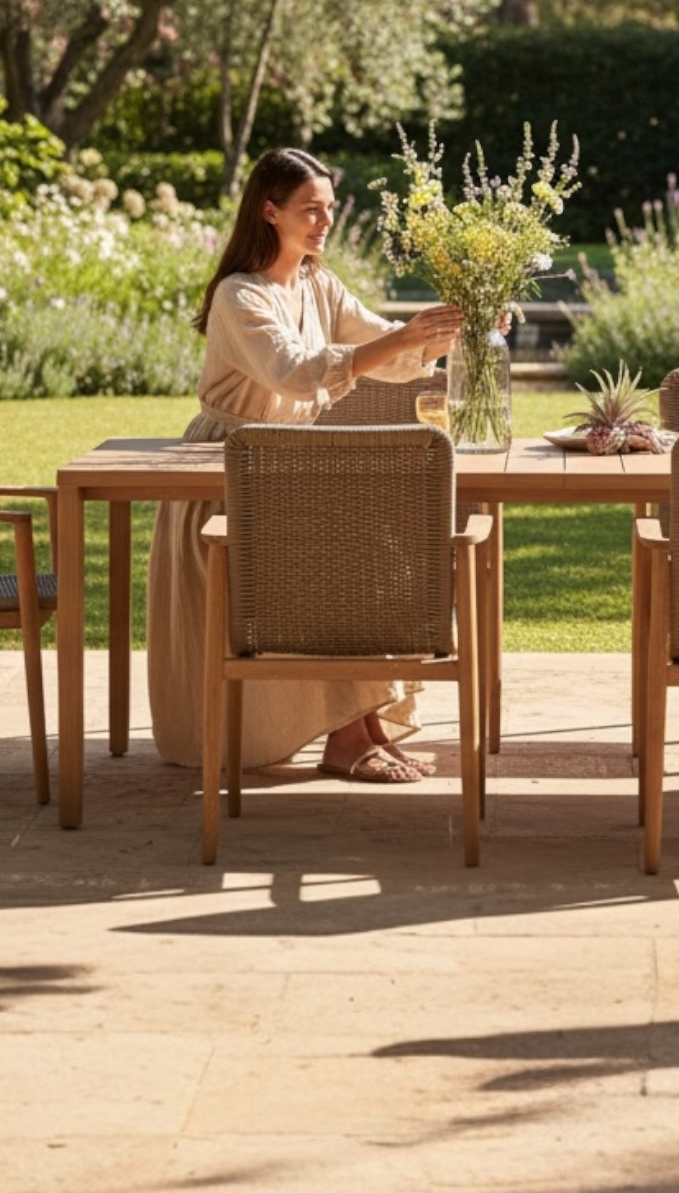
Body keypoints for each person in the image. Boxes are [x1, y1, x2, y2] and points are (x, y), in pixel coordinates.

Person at [144, 148, 462, 783]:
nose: (324, 222)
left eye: (329, 209)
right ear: (270, 212)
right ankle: (348, 735)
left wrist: (451, 327)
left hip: (286, 471)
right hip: (227, 476)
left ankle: (365, 723)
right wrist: (401, 339)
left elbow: (386, 349)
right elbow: (292, 374)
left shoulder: (318, 283)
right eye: (310, 210)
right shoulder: (240, 296)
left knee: (374, 552)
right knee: (330, 566)